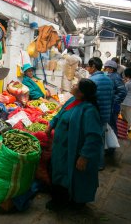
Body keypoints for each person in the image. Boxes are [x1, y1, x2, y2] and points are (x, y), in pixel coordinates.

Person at [44, 79, 103, 210]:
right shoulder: (72, 100)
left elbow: (93, 136)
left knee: (73, 176)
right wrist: (50, 126)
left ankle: (70, 201)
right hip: (61, 148)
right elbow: (60, 114)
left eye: (76, 85)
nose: (73, 85)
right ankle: (59, 199)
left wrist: (84, 156)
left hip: (74, 150)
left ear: (81, 93)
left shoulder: (89, 110)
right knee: (58, 172)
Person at [87, 57, 113, 170]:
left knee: (92, 140)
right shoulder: (108, 80)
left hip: (95, 115)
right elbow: (111, 97)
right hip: (106, 113)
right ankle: (100, 164)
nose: (87, 68)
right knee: (101, 140)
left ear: (93, 67)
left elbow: (87, 99)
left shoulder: (92, 81)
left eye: (88, 66)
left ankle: (92, 163)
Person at [104, 60, 127, 138]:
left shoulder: (116, 77)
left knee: (112, 126)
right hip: (110, 105)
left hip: (113, 106)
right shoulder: (110, 76)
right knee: (109, 125)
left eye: (105, 68)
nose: (104, 69)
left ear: (110, 68)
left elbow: (123, 92)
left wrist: (114, 101)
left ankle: (111, 147)